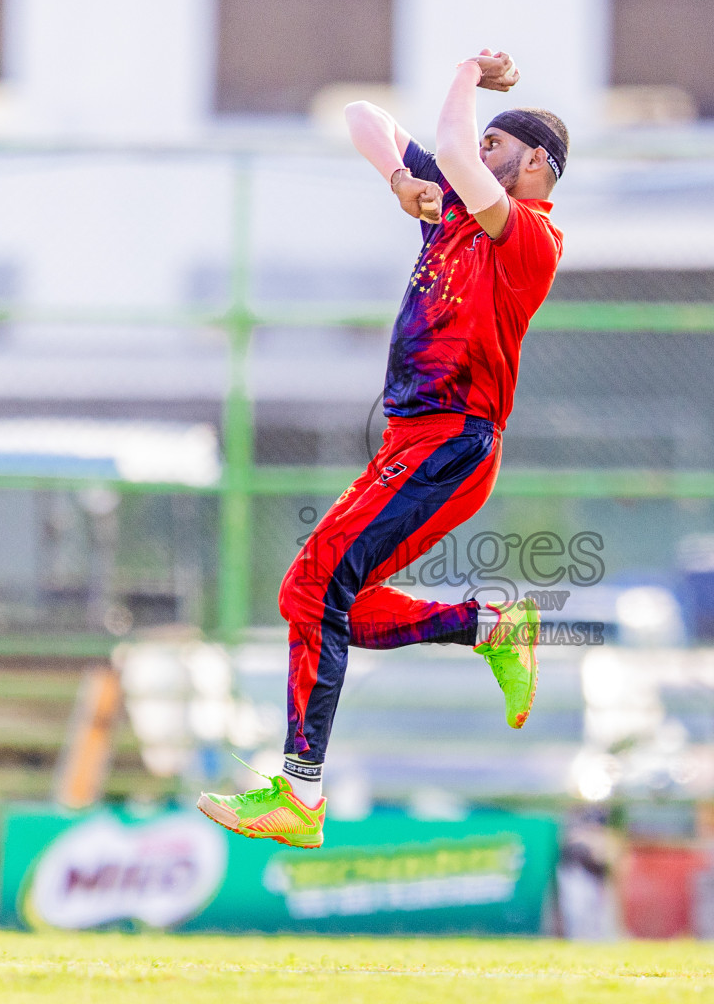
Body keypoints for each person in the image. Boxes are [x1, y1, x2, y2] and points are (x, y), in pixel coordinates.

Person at [197, 50, 569, 850]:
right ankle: (487, 627)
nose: (474, 155)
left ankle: (299, 795)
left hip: (452, 441)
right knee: (318, 598)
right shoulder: (455, 210)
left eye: (500, 147)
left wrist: (469, 76)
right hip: (415, 440)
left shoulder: (530, 235)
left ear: (534, 164)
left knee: (312, 590)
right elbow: (363, 118)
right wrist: (396, 181)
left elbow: (459, 152)